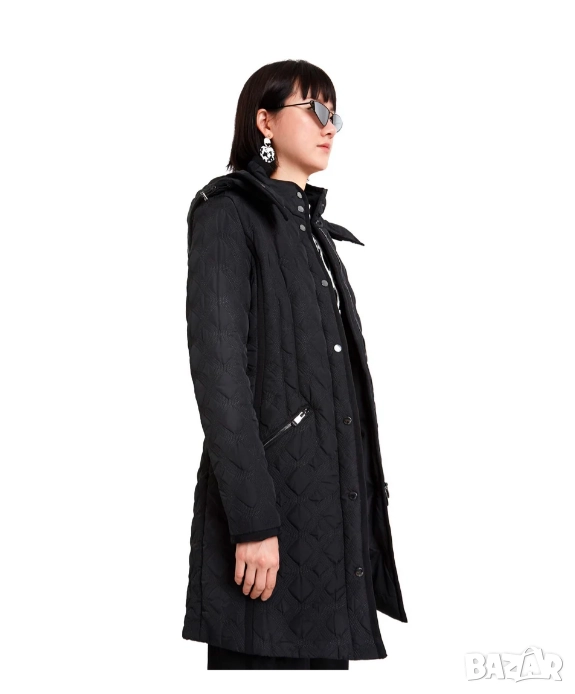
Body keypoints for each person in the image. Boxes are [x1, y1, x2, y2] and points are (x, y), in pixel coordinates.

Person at [182, 59, 408, 671]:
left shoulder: (313, 231)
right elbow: (220, 377)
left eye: (335, 113)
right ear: (265, 121)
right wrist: (253, 523)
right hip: (268, 522)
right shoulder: (228, 214)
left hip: (330, 519)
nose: (329, 126)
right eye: (314, 109)